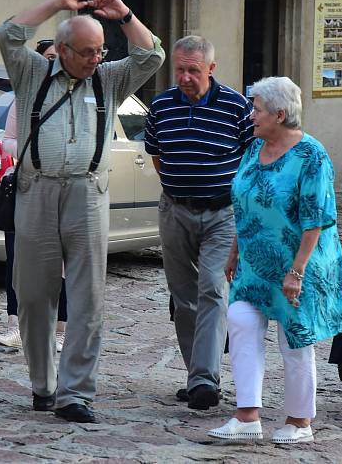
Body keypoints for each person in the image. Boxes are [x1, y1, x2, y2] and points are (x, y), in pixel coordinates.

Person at [0, 0, 164, 423]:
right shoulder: (32, 73)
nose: (96, 60)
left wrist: (123, 14)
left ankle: (76, 393)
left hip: (88, 192)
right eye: (87, 52)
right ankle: (43, 382)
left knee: (88, 298)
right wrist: (56, 3)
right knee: (33, 295)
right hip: (36, 190)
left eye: (101, 51)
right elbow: (8, 33)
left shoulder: (109, 79)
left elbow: (151, 56)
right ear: (62, 49)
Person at [207, 76, 342, 444]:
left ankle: (300, 422)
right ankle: (247, 416)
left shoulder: (312, 156)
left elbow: (315, 219)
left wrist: (296, 272)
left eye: (256, 109)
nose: (250, 115)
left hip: (298, 263)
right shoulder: (255, 148)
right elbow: (244, 202)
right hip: (255, 263)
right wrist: (235, 251)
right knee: (239, 319)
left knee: (294, 339)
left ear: (280, 114)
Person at [144, 35, 254, 410]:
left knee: (212, 288)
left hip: (223, 213)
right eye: (179, 69)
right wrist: (181, 188)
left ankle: (205, 380)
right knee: (183, 295)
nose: (185, 77)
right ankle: (198, 376)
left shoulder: (237, 106)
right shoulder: (160, 106)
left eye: (193, 70)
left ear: (211, 68)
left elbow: (251, 159)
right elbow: (157, 156)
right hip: (175, 210)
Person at [0, 39, 68, 352]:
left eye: (56, 57)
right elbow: (6, 141)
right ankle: (15, 326)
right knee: (17, 261)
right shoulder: (22, 99)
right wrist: (34, 146)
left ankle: (62, 330)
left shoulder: (72, 96)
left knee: (62, 263)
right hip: (25, 187)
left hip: (63, 190)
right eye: (47, 57)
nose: (52, 63)